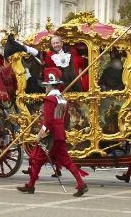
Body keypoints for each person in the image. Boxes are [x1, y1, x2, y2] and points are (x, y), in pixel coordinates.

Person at [17, 67, 88, 196]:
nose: (45, 88)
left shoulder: (49, 100)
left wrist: (39, 135)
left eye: (46, 86)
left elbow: (48, 123)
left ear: (49, 86)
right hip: (60, 133)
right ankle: (81, 184)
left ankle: (30, 186)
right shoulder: (62, 99)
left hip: (50, 136)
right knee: (66, 161)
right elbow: (63, 118)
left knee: (36, 159)